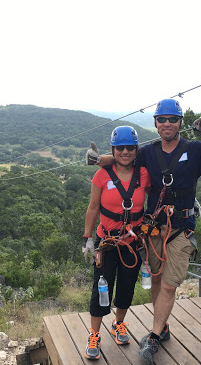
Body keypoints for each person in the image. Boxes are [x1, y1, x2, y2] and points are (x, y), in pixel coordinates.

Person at [87, 99, 201, 364]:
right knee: (156, 280)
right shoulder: (148, 152)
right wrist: (101, 159)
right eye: (162, 119)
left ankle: (154, 337)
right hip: (155, 229)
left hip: (181, 228)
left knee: (169, 284)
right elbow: (126, 157)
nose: (167, 123)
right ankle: (162, 325)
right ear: (156, 123)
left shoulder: (195, 150)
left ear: (180, 121)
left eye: (172, 119)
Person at [82, 126, 151, 360]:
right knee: (101, 287)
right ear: (113, 149)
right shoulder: (102, 175)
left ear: (136, 150)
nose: (125, 152)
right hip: (107, 242)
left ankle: (119, 323)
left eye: (130, 148)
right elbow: (93, 207)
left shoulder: (143, 174)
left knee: (126, 286)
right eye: (119, 148)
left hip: (132, 242)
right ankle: (94, 334)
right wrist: (88, 238)